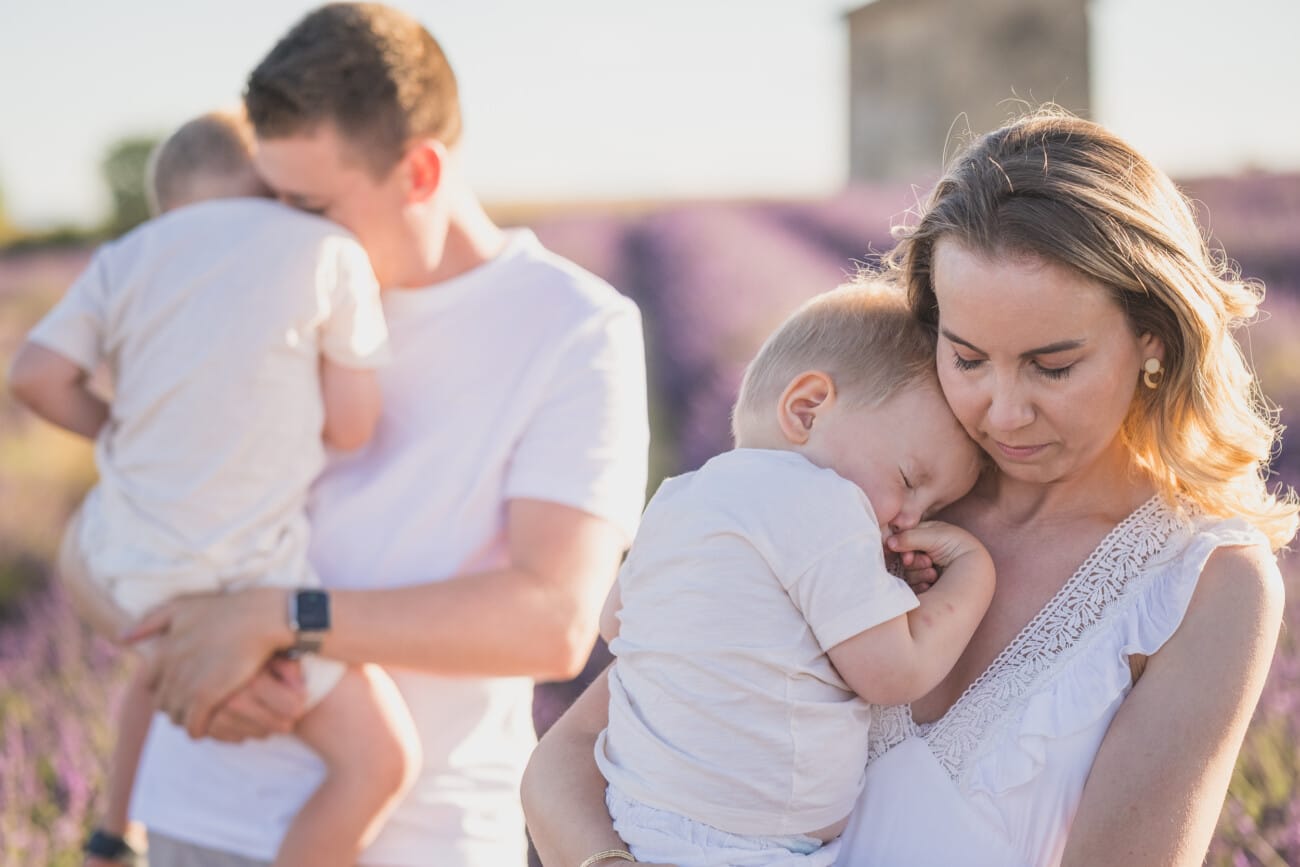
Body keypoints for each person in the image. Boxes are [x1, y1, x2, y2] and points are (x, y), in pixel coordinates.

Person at [521, 107, 1297, 867]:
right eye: (965, 357)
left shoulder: (1203, 583)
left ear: (1153, 338)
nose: (1002, 410)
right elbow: (564, 768)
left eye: (1052, 365)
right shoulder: (881, 486)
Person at [116, 5, 650, 867]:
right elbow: (116, 514)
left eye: (309, 205)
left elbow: (551, 619)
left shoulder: (573, 328)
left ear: (420, 170)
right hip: (199, 812)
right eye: (270, 199)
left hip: (419, 836)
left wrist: (276, 620)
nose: (278, 232)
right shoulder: (260, 289)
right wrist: (179, 634)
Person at [8, 109, 421, 867]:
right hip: (245, 574)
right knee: (380, 761)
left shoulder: (127, 255)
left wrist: (121, 432)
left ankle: (113, 832)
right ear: (273, 182)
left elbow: (33, 376)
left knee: (156, 652)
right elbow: (355, 426)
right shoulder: (326, 248)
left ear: (169, 202)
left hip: (125, 557)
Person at [593, 283, 994, 866]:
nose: (908, 518)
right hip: (736, 845)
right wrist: (971, 575)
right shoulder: (821, 500)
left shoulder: (678, 497)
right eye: (910, 481)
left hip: (636, 812)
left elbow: (613, 624)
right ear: (806, 408)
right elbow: (892, 673)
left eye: (932, 511)